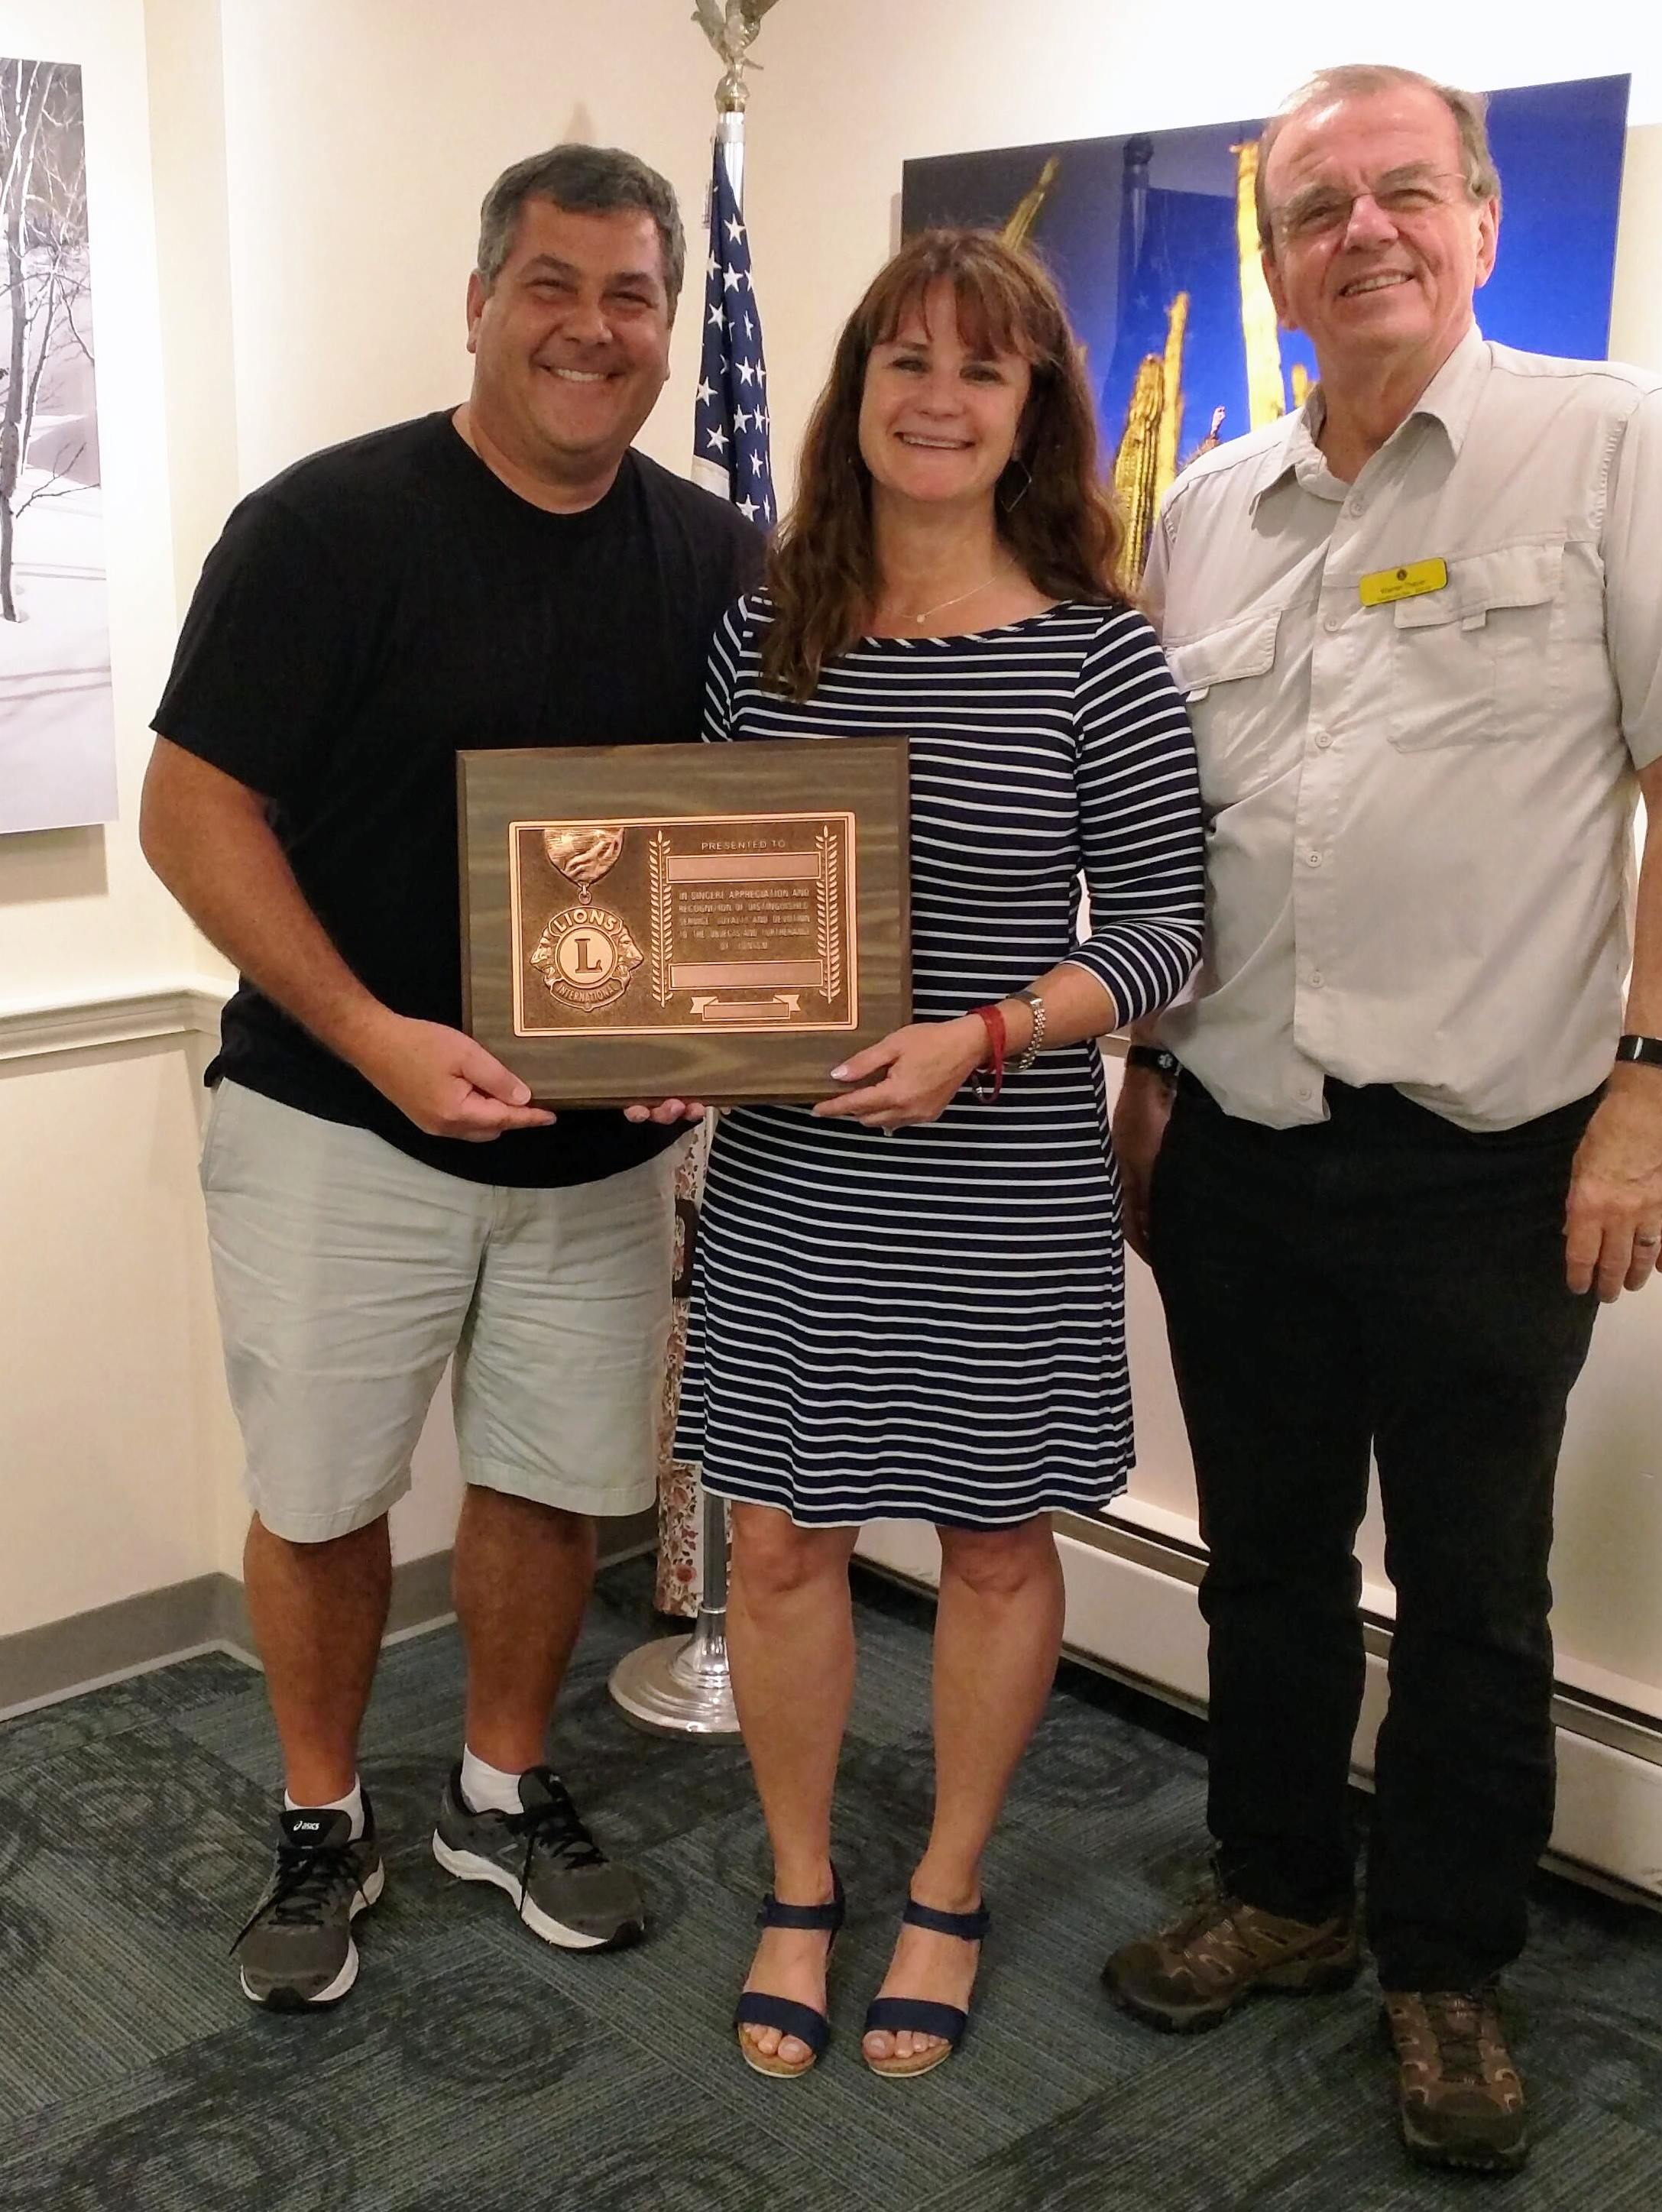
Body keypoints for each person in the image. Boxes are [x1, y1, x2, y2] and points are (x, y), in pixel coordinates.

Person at [1099, 66, 1662, 2175]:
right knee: (1262, 1567)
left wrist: (1652, 1091)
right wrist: (1138, 1081)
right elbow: (1177, 837)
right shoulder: (1206, 506)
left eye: (1402, 192)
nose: (1360, 230)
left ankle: (1443, 1968)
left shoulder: (1607, 438)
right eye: (1317, 206)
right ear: (1275, 255)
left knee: (1472, 1593)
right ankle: (1283, 1890)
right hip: (1235, 1143)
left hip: (1493, 1155)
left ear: (1474, 221)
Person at [140, 144, 760, 2011]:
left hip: (587, 1153)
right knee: (324, 1492)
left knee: (551, 1481)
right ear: (478, 303)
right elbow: (193, 812)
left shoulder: (718, 553)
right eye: (553, 285)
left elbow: (732, 847)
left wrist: (701, 1037)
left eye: (633, 295)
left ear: (668, 329)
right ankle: (322, 1808)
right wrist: (373, 1034)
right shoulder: (323, 528)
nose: (594, 327)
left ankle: (501, 1779)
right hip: (339, 1121)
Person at [672, 228, 1204, 2081]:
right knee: (781, 1537)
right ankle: (805, 1882)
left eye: (980, 367)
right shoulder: (766, 633)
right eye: (902, 358)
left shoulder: (1097, 652)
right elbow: (706, 891)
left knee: (991, 1544)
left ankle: (952, 1884)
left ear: (1033, 407)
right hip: (796, 1171)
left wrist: (985, 1035)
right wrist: (670, 1043)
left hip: (995, 1171)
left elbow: (1160, 928)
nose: (936, 394)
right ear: (855, 393)